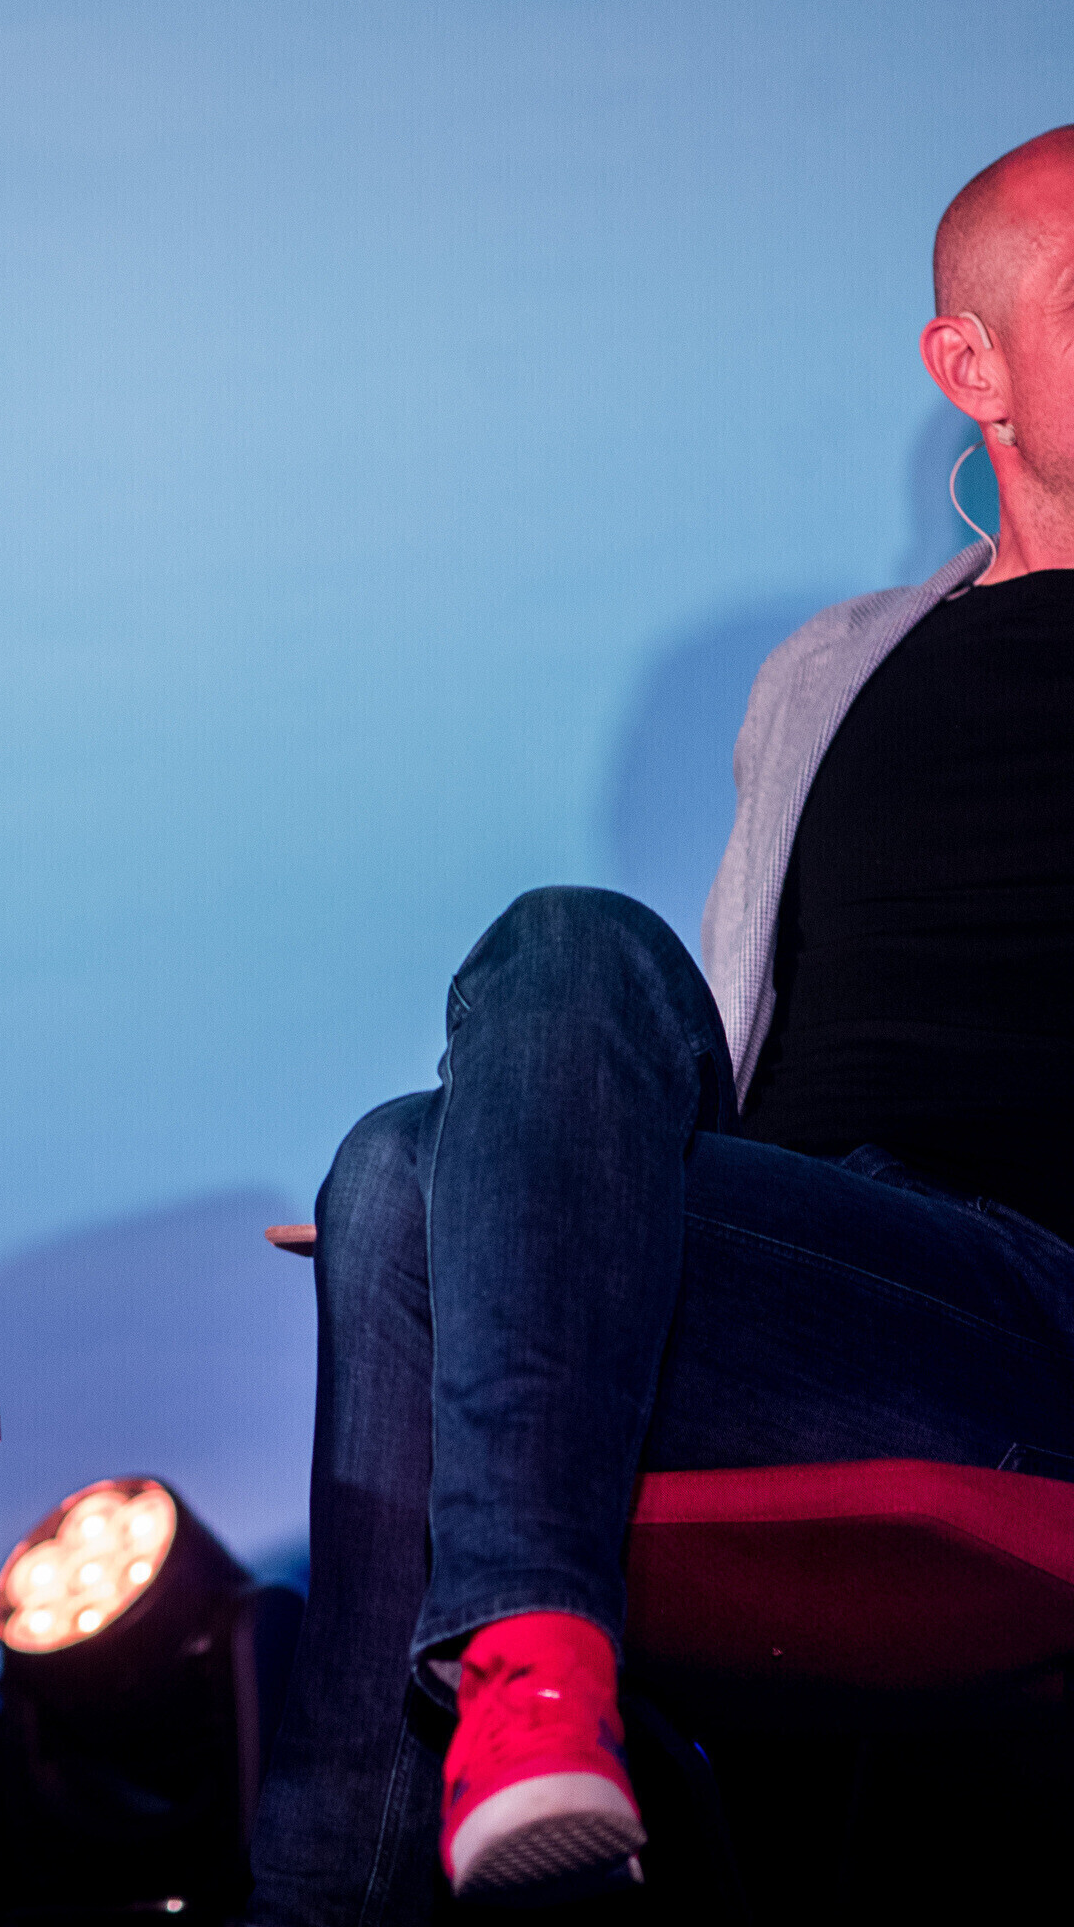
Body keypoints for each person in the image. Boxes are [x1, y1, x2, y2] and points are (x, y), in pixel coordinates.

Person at [245, 122, 1074, 1920]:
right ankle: (535, 1683)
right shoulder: (830, 670)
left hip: (1033, 1310)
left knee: (397, 1180)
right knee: (521, 1011)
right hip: (810, 1282)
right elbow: (733, 1027)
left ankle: (366, 1860)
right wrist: (529, 1197)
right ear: (974, 367)